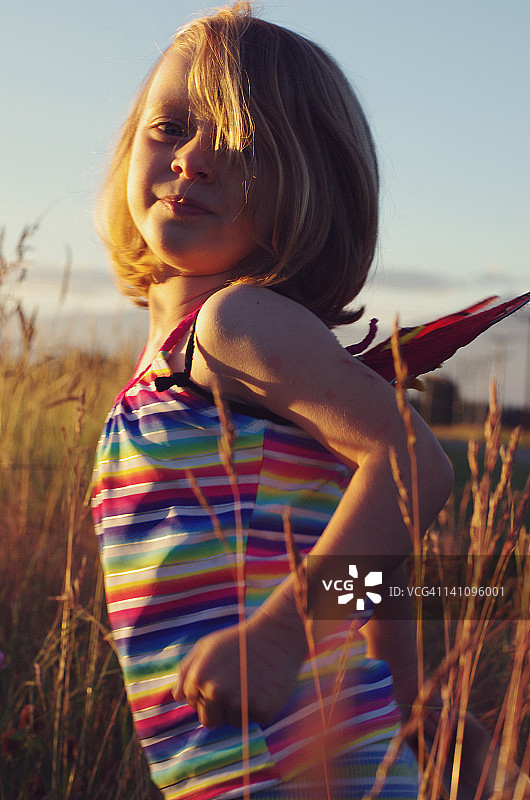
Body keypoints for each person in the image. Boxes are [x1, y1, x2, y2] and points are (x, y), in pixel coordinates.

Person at [92, 3, 454, 798]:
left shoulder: (232, 324)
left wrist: (285, 634)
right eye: (170, 128)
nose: (193, 157)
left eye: (242, 141)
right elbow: (375, 567)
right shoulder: (184, 359)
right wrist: (419, 720)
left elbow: (414, 463)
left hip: (297, 757)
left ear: (314, 179)